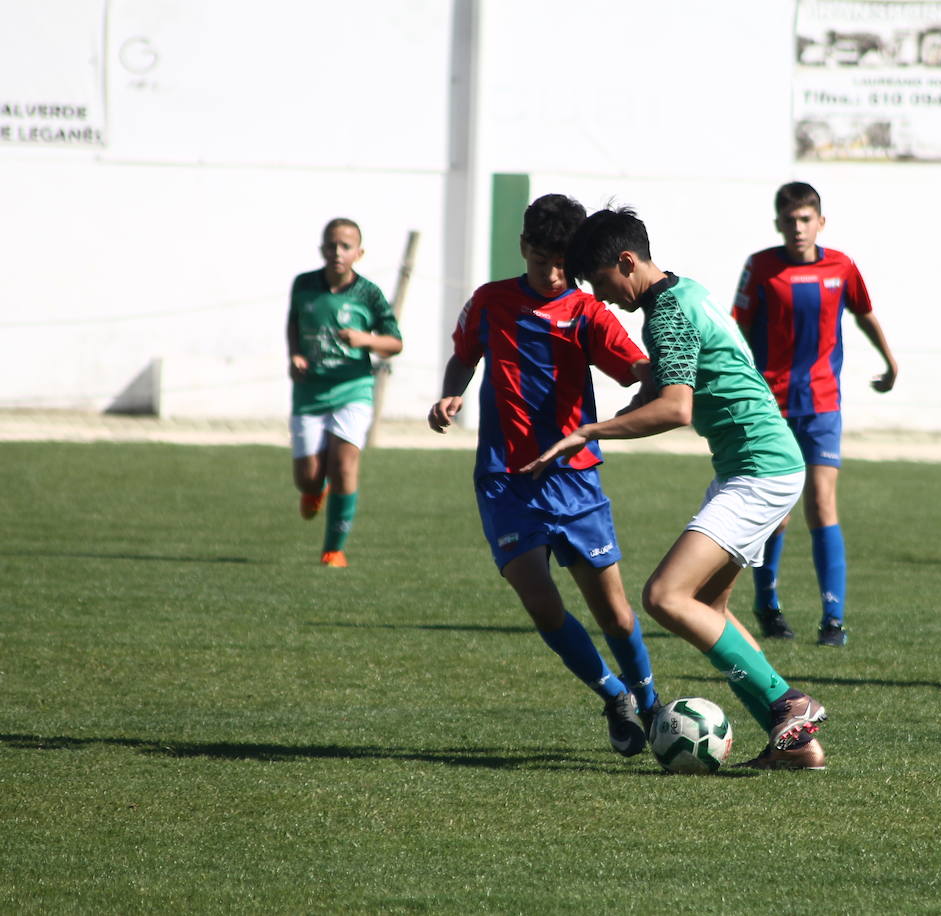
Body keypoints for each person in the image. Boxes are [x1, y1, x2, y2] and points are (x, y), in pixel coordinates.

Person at [525, 206, 830, 771]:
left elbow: (676, 408)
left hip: (759, 470)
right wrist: (631, 404)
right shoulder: (686, 292)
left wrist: (590, 431)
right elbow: (675, 381)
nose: (599, 295)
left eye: (600, 281)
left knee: (665, 597)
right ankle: (795, 745)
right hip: (758, 465)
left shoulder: (665, 314)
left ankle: (788, 702)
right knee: (708, 608)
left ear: (627, 261)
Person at [427, 194, 660, 758]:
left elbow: (634, 365)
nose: (553, 275)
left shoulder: (587, 311)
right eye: (541, 262)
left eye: (563, 265)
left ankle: (651, 703)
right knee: (541, 602)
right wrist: (452, 392)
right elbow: (465, 356)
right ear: (523, 248)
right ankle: (615, 696)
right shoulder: (490, 302)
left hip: (574, 480)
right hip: (506, 481)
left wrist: (659, 371)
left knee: (614, 613)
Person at [732, 181, 898, 647]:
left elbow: (864, 312)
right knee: (778, 512)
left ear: (820, 222)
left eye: (806, 219)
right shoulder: (761, 267)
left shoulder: (841, 266)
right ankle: (767, 605)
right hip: (770, 405)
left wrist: (890, 361)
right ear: (778, 224)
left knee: (822, 503)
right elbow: (736, 329)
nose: (798, 228)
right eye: (790, 221)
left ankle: (833, 619)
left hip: (823, 403)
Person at [287, 217, 403, 568]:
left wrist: (365, 339)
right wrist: (295, 355)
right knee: (307, 478)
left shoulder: (368, 293)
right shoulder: (304, 284)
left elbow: (394, 343)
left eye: (345, 246)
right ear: (322, 249)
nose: (337, 252)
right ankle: (314, 489)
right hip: (310, 392)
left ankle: (333, 550)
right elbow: (293, 323)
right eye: (331, 245)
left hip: (354, 389)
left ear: (359, 253)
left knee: (343, 465)